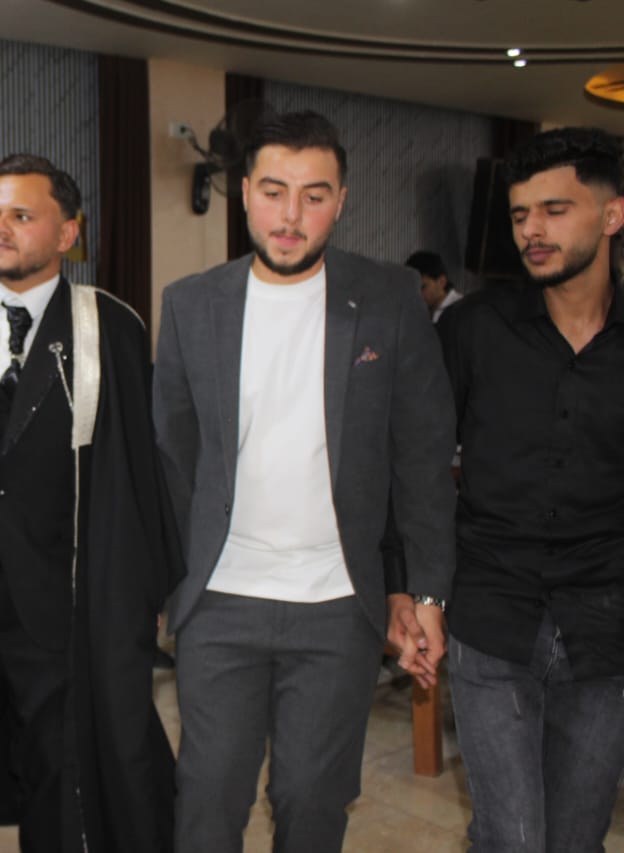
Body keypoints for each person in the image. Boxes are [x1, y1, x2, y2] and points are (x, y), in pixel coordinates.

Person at [153, 111, 456, 853]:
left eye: (314, 195)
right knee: (207, 798)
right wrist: (169, 584)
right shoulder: (191, 303)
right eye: (274, 191)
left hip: (336, 603)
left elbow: (421, 456)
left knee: (312, 801)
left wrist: (425, 592)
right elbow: (172, 456)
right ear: (244, 194)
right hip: (221, 598)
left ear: (341, 200)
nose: (291, 216)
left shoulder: (388, 298)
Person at [0, 153, 179, 853]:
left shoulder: (108, 329)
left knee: (61, 779)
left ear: (67, 233)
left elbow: (137, 472)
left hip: (63, 604)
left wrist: (143, 591)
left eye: (22, 216)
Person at [440, 126, 624, 852]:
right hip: (492, 614)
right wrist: (415, 589)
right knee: (511, 838)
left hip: (607, 623)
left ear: (612, 214)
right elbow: (418, 461)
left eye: (554, 210)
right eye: (520, 215)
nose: (531, 231)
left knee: (577, 837)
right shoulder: (472, 328)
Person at [406, 250, 463, 322]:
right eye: (413, 288)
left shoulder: (461, 311)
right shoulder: (422, 309)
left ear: (441, 282)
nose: (417, 294)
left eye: (423, 287)